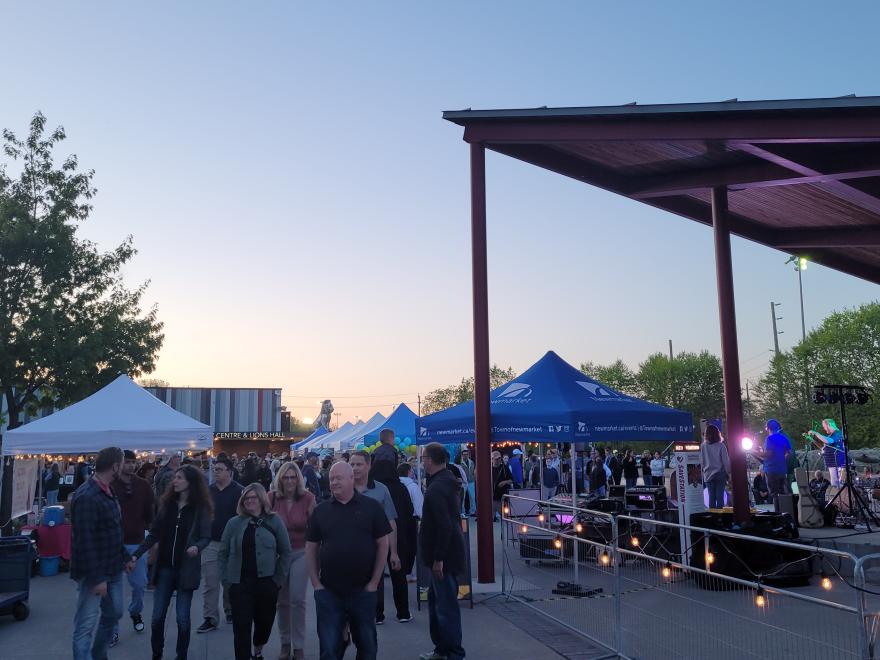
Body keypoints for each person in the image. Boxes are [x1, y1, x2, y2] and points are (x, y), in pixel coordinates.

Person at [306, 461, 391, 660]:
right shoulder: (321, 511)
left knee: (367, 645)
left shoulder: (372, 507)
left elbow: (383, 544)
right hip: (329, 591)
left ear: (352, 479)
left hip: (363, 591)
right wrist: (316, 584)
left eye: (338, 478)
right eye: (331, 478)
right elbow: (311, 547)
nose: (334, 482)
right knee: (329, 647)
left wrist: (374, 582)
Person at [129, 465, 212, 660]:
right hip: (165, 568)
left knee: (182, 618)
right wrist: (137, 554)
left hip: (186, 569)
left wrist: (197, 547)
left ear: (190, 482)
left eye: (180, 478)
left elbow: (206, 536)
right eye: (175, 477)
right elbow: (155, 533)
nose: (175, 481)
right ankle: (156, 654)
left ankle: (180, 655)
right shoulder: (167, 505)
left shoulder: (200, 508)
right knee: (157, 617)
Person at [218, 483, 291, 660]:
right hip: (240, 583)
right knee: (241, 628)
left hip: (267, 583)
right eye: (246, 498)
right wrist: (227, 580)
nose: (249, 501)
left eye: (253, 497)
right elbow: (223, 553)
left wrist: (278, 580)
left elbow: (286, 551)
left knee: (264, 623)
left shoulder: (274, 521)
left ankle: (258, 651)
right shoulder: (234, 523)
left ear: (261, 499)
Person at [70, 447, 128, 660]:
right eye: (122, 464)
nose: (123, 467)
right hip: (94, 573)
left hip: (113, 568)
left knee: (114, 614)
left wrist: (126, 556)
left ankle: (98, 654)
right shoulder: (87, 495)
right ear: (115, 466)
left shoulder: (108, 490)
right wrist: (96, 578)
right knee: (85, 624)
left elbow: (113, 530)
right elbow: (84, 541)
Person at [418, 443, 467, 660]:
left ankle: (453, 653)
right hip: (444, 555)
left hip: (444, 558)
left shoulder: (438, 488)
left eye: (423, 457)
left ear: (430, 459)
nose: (421, 461)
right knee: (437, 605)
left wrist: (438, 558)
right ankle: (442, 649)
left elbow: (444, 525)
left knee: (445, 608)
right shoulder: (445, 481)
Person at [270, 462, 316, 660]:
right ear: (280, 478)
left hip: (300, 551)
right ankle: (285, 643)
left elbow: (315, 527)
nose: (289, 480)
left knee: (297, 599)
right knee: (282, 602)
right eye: (285, 477)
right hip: (278, 555)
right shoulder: (271, 498)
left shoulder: (308, 498)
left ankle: (298, 645)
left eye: (293, 477)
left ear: (298, 479)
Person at [349, 450, 400, 626]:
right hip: (348, 548)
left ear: (369, 466)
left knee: (374, 582)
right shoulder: (342, 487)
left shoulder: (381, 490)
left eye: (359, 464)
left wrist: (394, 552)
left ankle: (377, 613)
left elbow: (391, 522)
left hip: (374, 548)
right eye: (352, 464)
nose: (355, 468)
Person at [110, 450, 155, 645]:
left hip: (136, 543)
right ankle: (112, 629)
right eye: (126, 462)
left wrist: (152, 540)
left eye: (132, 462)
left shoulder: (144, 485)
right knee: (113, 589)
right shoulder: (109, 484)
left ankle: (135, 612)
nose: (129, 465)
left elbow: (150, 514)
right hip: (112, 544)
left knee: (139, 585)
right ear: (118, 464)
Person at [198, 457, 243, 634]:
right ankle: (210, 618)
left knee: (230, 582)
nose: (215, 472)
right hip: (211, 543)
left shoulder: (239, 491)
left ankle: (230, 610)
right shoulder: (208, 492)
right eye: (214, 469)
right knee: (210, 582)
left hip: (232, 545)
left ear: (229, 472)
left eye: (219, 469)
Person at [371, 457, 416, 623]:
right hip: (399, 535)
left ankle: (378, 613)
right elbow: (410, 511)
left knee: (377, 575)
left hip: (376, 537)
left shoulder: (374, 489)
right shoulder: (401, 488)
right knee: (399, 575)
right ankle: (403, 612)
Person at [701, 424, 731, 509]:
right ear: (717, 433)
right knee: (720, 497)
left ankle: (713, 517)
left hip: (707, 475)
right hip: (720, 475)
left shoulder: (703, 446)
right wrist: (729, 473)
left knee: (711, 498)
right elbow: (726, 462)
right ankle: (720, 517)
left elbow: (701, 461)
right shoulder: (721, 446)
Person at [810, 419, 847, 487]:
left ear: (829, 425)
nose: (824, 429)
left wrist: (816, 433)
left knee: (838, 484)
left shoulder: (837, 433)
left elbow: (829, 441)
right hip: (832, 463)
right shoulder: (831, 435)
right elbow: (825, 446)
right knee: (834, 484)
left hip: (838, 463)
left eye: (824, 427)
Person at [760, 419, 792, 496]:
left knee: (775, 495)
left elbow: (768, 454)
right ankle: (784, 508)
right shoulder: (784, 438)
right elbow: (789, 453)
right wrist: (783, 462)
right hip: (782, 471)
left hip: (771, 470)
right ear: (778, 427)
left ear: (767, 428)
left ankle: (778, 508)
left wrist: (754, 452)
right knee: (783, 493)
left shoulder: (769, 439)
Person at [491, 450, 514, 521]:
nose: (498, 460)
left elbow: (511, 480)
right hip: (491, 498)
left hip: (502, 498)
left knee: (505, 518)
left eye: (499, 458)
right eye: (496, 459)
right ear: (492, 459)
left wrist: (504, 482)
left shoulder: (504, 468)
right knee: (489, 521)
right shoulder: (488, 468)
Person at [458, 449, 476, 516]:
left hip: (471, 481)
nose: (465, 456)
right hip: (463, 482)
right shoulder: (460, 463)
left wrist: (474, 477)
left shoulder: (471, 462)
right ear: (462, 455)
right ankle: (462, 511)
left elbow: (473, 471)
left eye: (467, 454)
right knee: (463, 497)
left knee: (472, 497)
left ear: (468, 455)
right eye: (464, 454)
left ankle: (473, 511)